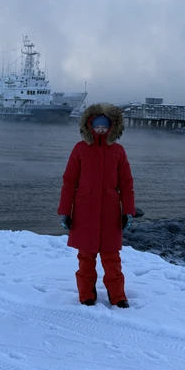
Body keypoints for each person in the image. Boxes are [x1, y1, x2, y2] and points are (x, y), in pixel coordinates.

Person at [57, 102, 135, 307]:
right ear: (89, 126)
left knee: (112, 258)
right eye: (97, 126)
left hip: (110, 211)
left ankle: (117, 296)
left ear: (112, 127)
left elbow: (126, 183)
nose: (100, 130)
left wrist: (128, 211)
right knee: (86, 256)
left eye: (104, 127)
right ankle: (86, 294)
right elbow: (69, 181)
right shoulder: (80, 149)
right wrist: (65, 211)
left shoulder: (117, 151)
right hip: (84, 211)